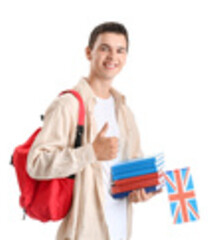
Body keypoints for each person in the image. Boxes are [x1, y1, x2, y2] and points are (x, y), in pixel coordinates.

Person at [24, 21, 162, 240]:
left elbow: (130, 173)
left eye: (120, 50)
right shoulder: (68, 105)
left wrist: (142, 191)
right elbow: (35, 163)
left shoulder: (125, 112)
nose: (112, 56)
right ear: (89, 53)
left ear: (126, 57)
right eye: (104, 48)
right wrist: (91, 153)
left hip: (119, 232)